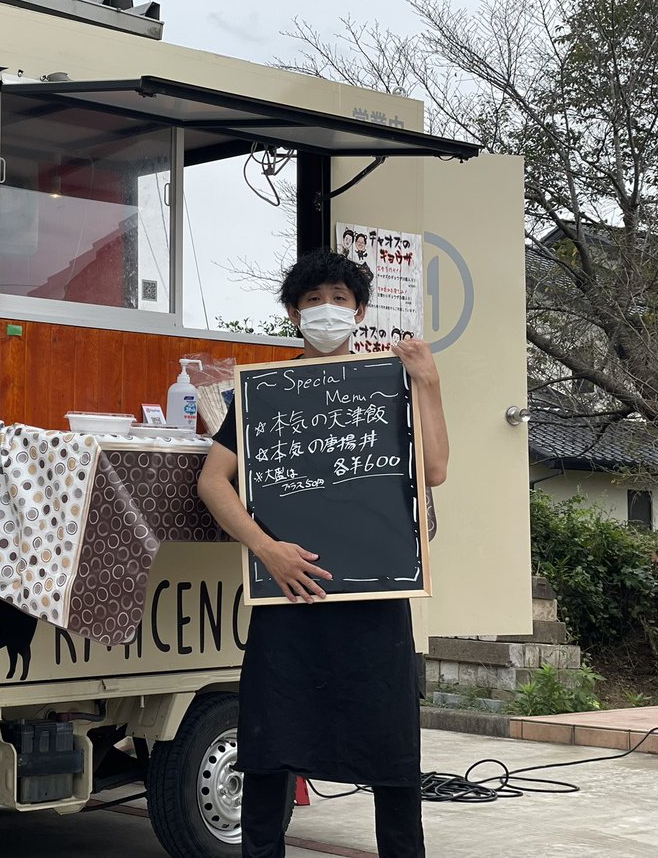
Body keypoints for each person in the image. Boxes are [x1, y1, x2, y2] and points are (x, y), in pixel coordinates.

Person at [197, 247, 449, 858]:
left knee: (391, 756)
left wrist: (429, 381)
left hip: (376, 597)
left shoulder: (390, 381)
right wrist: (267, 549)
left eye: (340, 299)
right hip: (290, 596)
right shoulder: (263, 392)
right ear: (294, 313)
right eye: (313, 300)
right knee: (269, 748)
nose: (327, 310)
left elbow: (435, 469)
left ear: (359, 312)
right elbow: (212, 482)